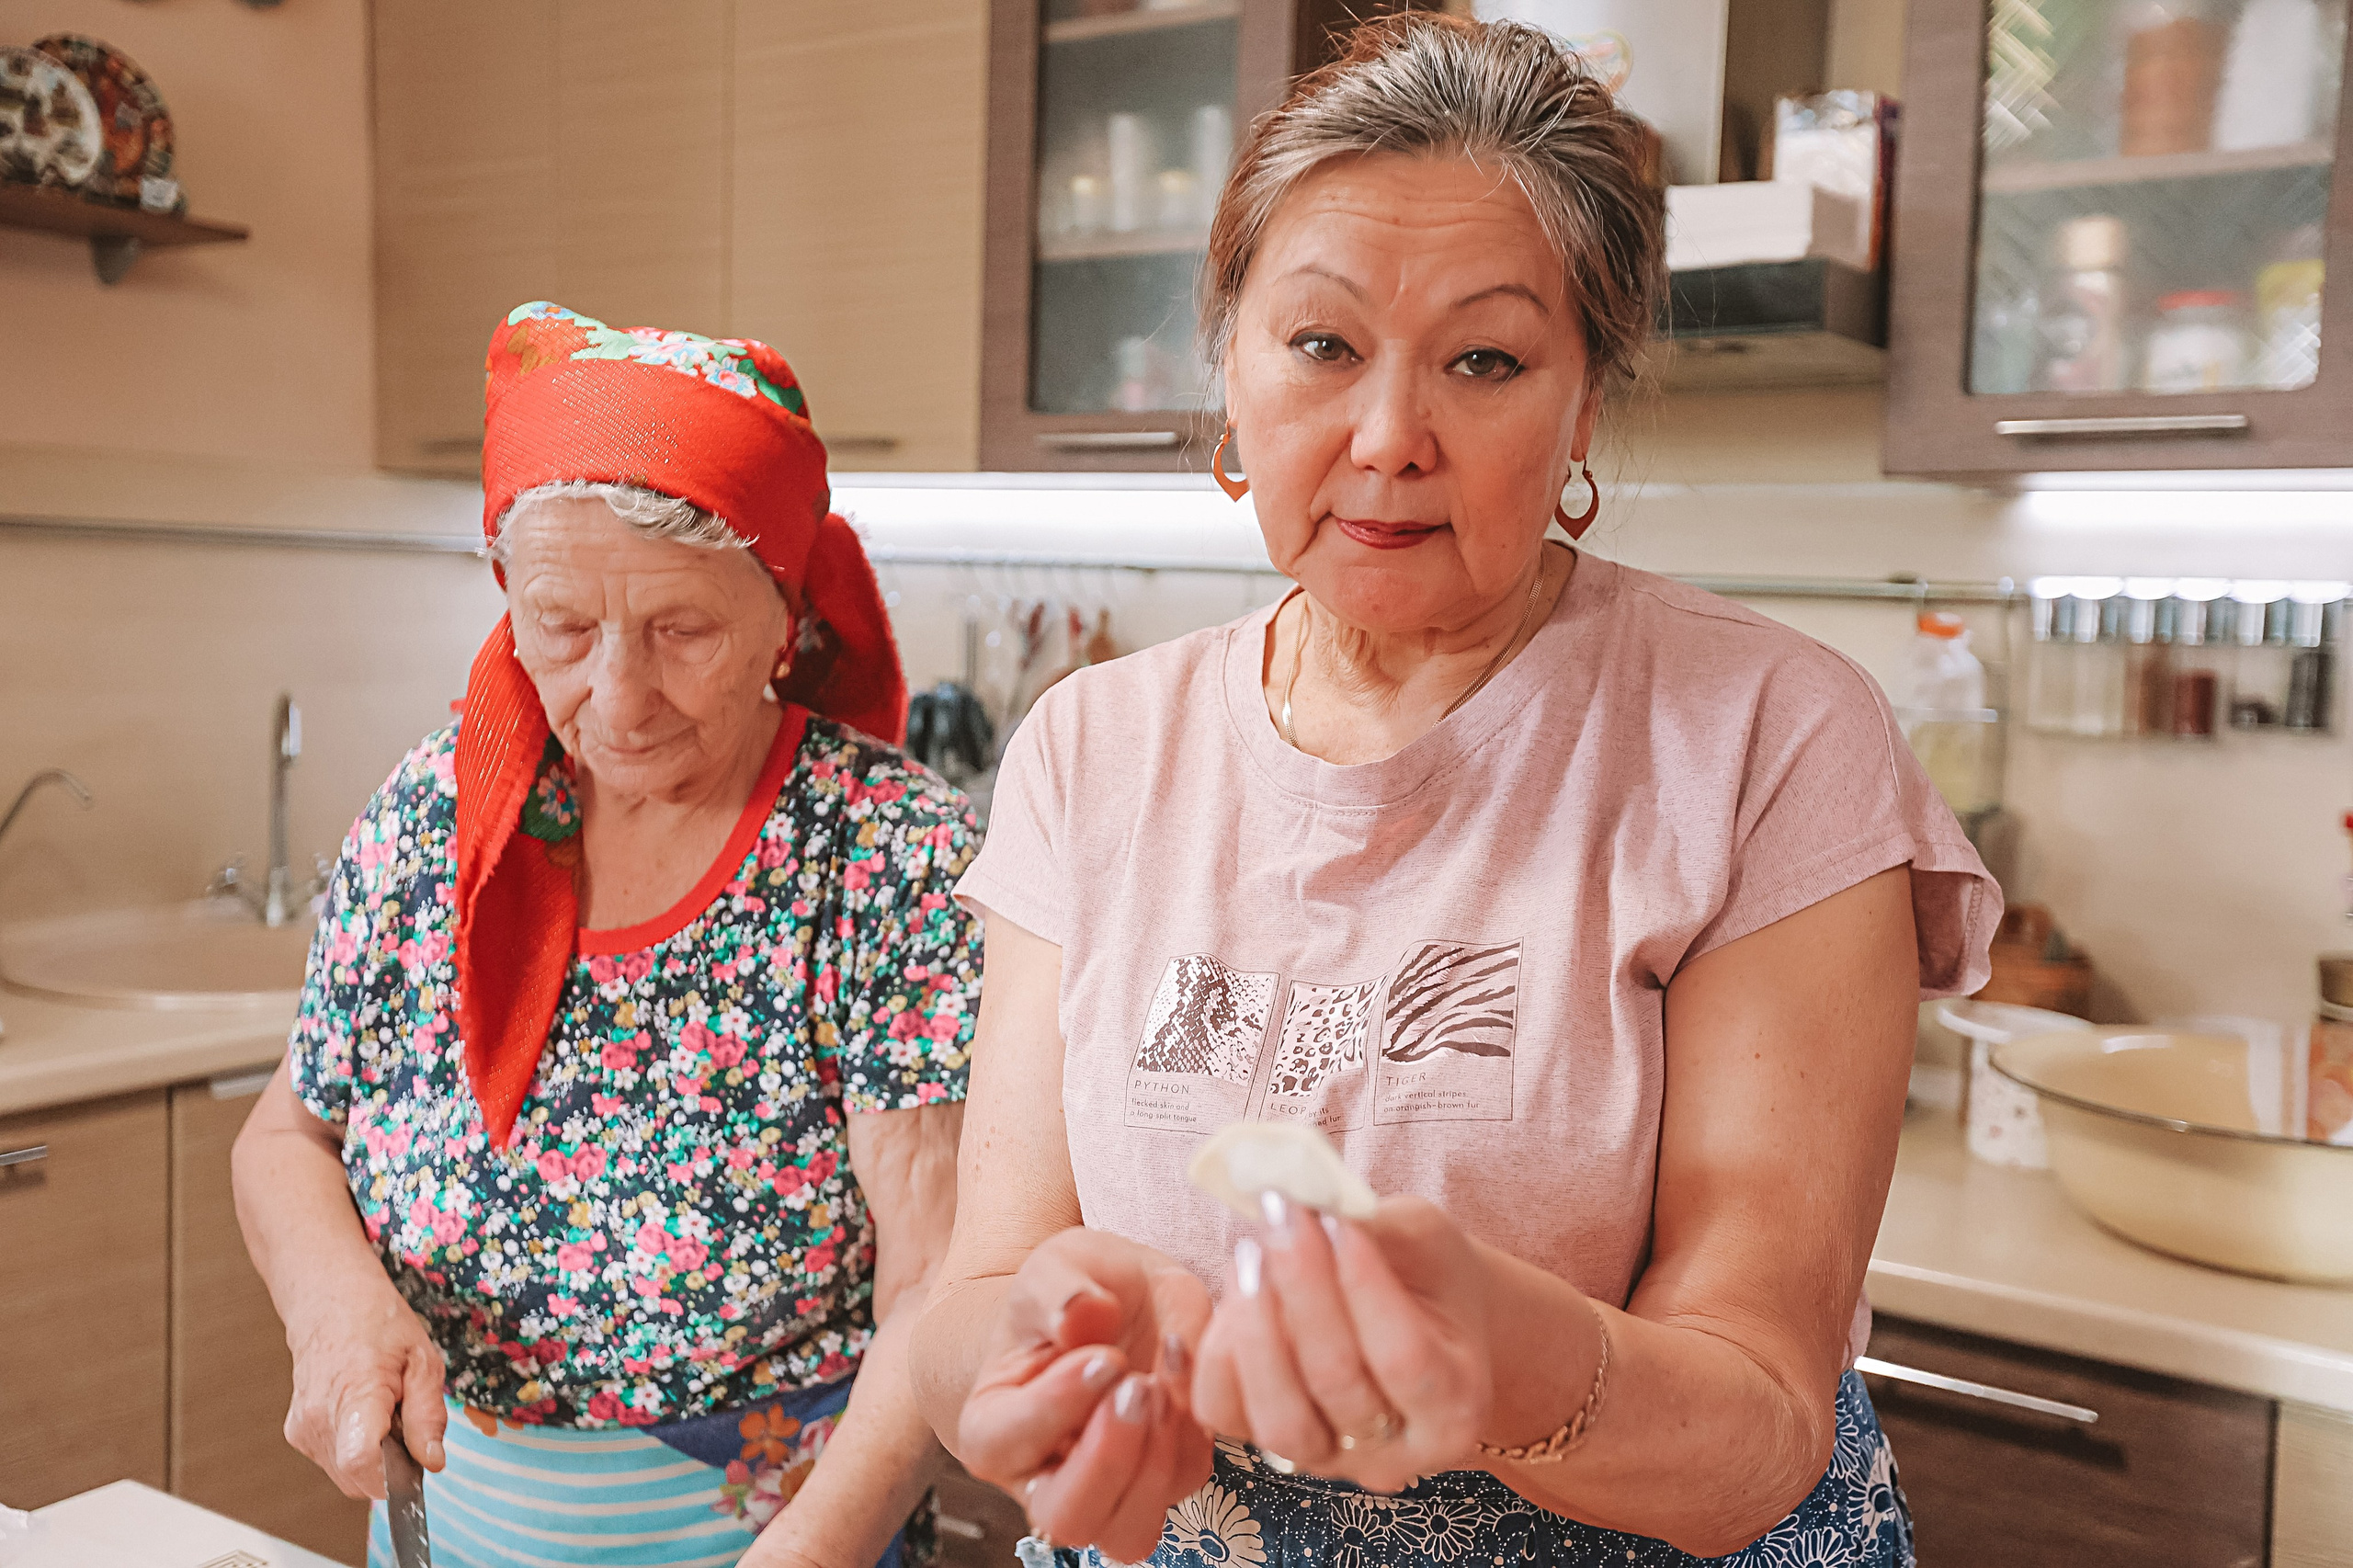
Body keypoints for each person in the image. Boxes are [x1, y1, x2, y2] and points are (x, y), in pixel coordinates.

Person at [910, 16, 1997, 1568]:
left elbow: (1759, 1418)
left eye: (1485, 359)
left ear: (1584, 405)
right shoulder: (1091, 750)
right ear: (1228, 363)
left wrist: (1507, 1363)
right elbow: (970, 1304)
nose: (1387, 437)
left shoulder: (1768, 739)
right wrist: (1042, 1356)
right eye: (1322, 344)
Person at [233, 302, 981, 1568]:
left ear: (782, 613)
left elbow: (939, 1280)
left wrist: (813, 1552)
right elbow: (289, 1129)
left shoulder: (886, 853)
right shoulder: (435, 816)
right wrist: (335, 1304)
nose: (618, 698)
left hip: (785, 1539)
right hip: (445, 1530)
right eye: (564, 627)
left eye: (682, 630)